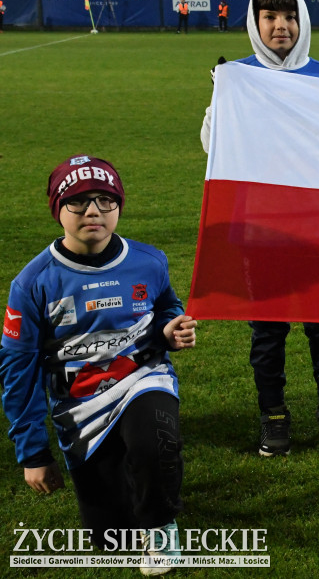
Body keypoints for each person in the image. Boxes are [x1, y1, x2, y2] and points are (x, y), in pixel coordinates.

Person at [0, 155, 197, 573]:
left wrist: (170, 331)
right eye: (78, 202)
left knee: (153, 438)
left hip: (142, 374)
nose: (94, 212)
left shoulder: (149, 260)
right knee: (112, 538)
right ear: (58, 209)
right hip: (80, 403)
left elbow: (166, 307)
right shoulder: (32, 283)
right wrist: (33, 453)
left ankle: (162, 525)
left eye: (106, 200)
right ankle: (132, 488)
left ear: (120, 205)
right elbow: (18, 372)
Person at [201, 0, 319, 457]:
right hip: (260, 229)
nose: (280, 26)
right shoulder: (238, 77)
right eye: (269, 17)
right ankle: (274, 418)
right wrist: (222, 99)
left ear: (302, 21)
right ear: (255, 23)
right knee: (267, 332)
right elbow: (212, 145)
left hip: (317, 226)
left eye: (288, 17)